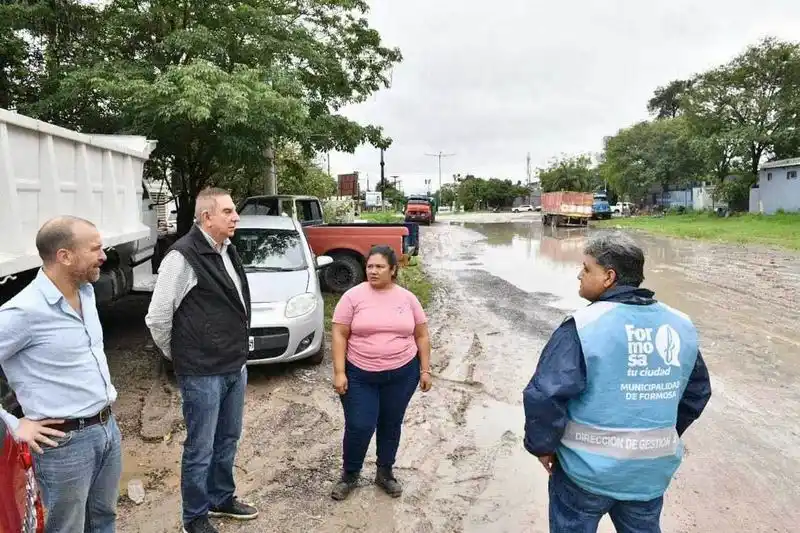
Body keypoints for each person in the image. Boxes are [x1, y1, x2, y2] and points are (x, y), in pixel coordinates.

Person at [522, 232, 712, 533]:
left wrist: (543, 447)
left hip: (584, 474)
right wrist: (661, 436)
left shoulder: (583, 326)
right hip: (647, 476)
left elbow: (546, 395)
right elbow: (697, 392)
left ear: (609, 276)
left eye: (586, 269)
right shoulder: (680, 325)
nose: (579, 275)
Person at [0, 216, 121, 533]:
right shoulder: (23, 312)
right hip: (64, 445)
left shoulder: (87, 294)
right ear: (64, 256)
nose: (103, 255)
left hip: (107, 429)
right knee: (66, 528)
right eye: (94, 249)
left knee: (104, 518)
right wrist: (14, 423)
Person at [145, 188, 257, 533]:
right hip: (202, 372)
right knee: (200, 448)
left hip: (234, 366)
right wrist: (182, 356)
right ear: (206, 217)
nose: (235, 217)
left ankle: (221, 498)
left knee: (227, 439)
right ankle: (194, 517)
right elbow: (158, 317)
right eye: (227, 211)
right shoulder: (182, 256)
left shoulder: (227, 249)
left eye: (234, 211)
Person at [330, 245, 432, 501]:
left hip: (401, 374)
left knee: (390, 423)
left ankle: (385, 472)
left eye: (379, 267)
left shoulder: (407, 299)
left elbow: (422, 335)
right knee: (360, 425)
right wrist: (340, 372)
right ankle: (350, 474)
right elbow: (339, 334)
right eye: (370, 266)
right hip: (359, 375)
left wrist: (425, 370)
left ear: (393, 270)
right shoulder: (352, 297)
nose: (373, 271)